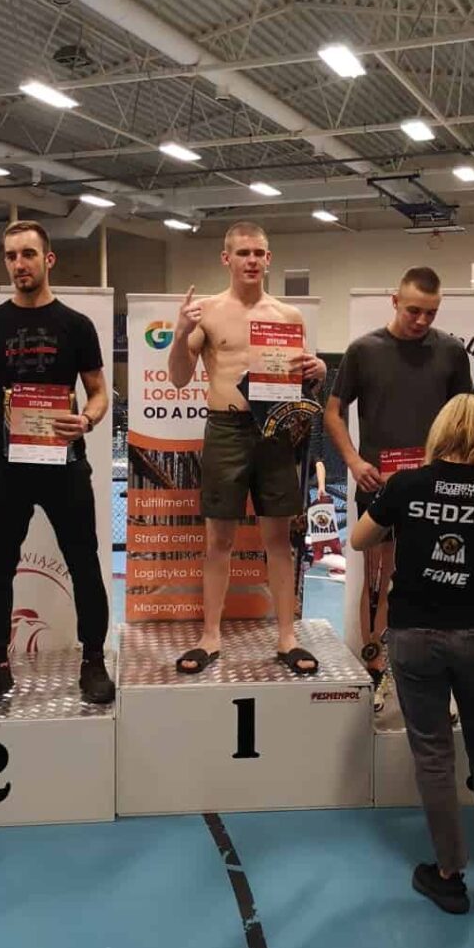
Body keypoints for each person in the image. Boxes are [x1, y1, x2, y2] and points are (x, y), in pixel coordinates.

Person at [351, 394, 474, 915]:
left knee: (433, 753)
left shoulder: (406, 484)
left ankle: (448, 873)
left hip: (415, 636)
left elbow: (360, 539)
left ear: (441, 431)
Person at [0, 220, 114, 709]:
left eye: (28, 254)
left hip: (63, 463)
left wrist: (86, 420)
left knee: (85, 564)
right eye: (11, 256)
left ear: (49, 259)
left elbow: (100, 392)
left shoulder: (76, 325)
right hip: (5, 466)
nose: (19, 264)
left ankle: (93, 660)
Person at [167, 221, 326, 675]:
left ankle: (287, 636)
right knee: (218, 539)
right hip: (227, 429)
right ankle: (210, 636)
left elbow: (299, 381)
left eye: (259, 252)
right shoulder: (207, 312)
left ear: (269, 259)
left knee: (278, 539)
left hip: (275, 432)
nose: (251, 260)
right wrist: (180, 333)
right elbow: (178, 377)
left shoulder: (288, 317)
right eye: (243, 253)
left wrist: (316, 370)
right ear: (227, 259)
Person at [324, 266, 471, 703]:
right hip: (380, 485)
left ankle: (431, 669)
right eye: (413, 311)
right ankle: (376, 668)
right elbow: (332, 412)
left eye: (431, 312)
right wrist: (353, 461)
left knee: (436, 577)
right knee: (379, 579)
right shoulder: (363, 350)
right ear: (394, 301)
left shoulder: (452, 352)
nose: (422, 320)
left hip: (437, 488)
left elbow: (465, 418)